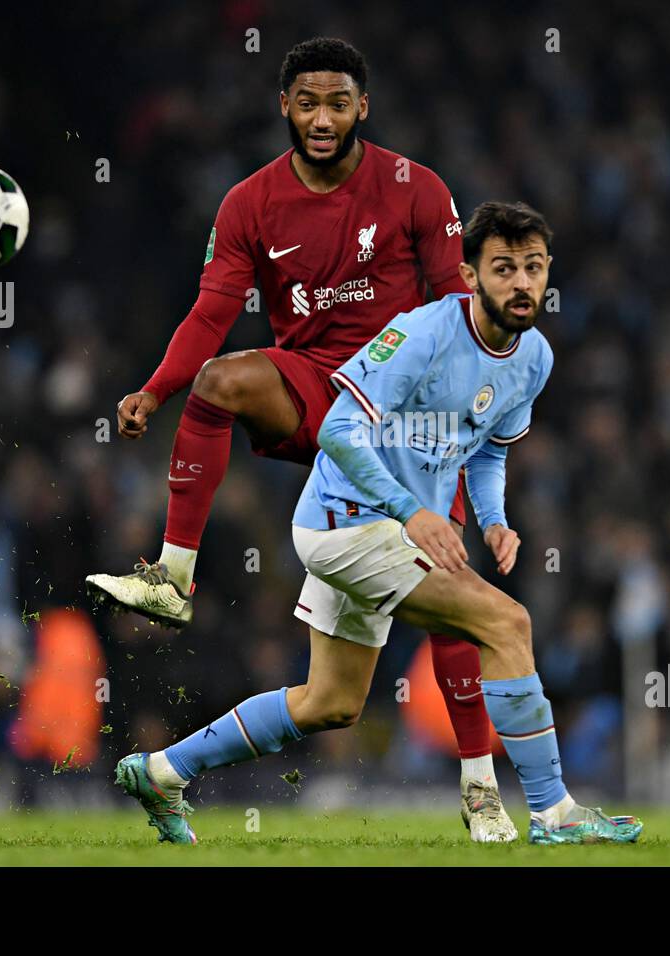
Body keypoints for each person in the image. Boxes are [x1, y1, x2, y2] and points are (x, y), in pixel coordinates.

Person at [84, 37, 514, 841]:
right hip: (318, 390)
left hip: (406, 410)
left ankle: (162, 772)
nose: (322, 117)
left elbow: (459, 298)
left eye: (338, 103)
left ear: (363, 108)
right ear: (284, 106)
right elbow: (212, 313)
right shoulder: (250, 202)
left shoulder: (414, 189)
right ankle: (174, 575)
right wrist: (155, 387)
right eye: (307, 102)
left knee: (336, 700)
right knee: (220, 378)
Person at [115, 201, 644, 846]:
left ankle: (162, 770)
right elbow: (337, 427)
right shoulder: (421, 334)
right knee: (508, 622)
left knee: (329, 701)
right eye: (503, 268)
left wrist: (495, 520)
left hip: (383, 532)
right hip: (346, 525)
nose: (521, 283)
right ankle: (553, 812)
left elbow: (490, 448)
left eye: (533, 267)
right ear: (470, 276)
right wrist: (413, 512)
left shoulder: (534, 358)